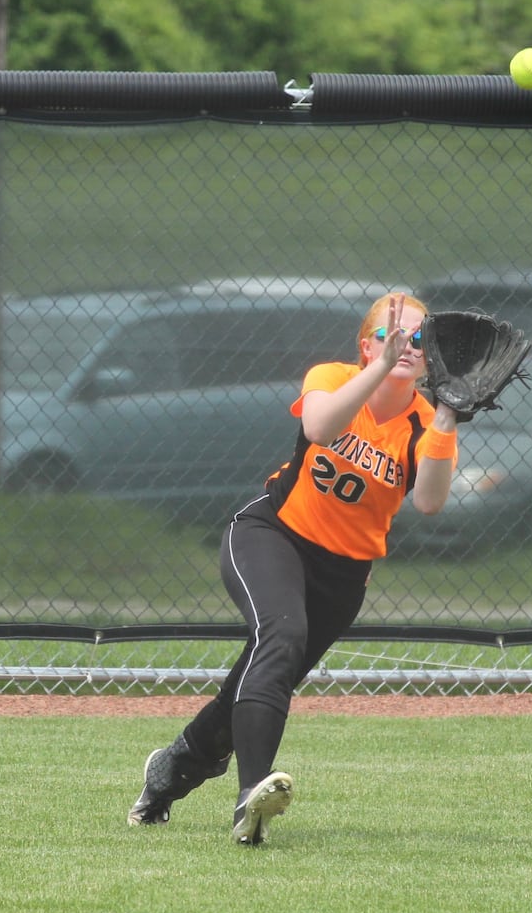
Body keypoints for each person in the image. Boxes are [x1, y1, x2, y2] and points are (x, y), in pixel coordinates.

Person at [127, 291, 458, 845]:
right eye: (390, 334)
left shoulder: (424, 423)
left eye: (419, 338)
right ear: (365, 345)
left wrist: (449, 415)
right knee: (281, 636)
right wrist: (378, 370)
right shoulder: (331, 376)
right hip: (272, 534)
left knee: (258, 680)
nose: (405, 344)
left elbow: (428, 501)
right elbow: (320, 429)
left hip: (342, 576)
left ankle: (170, 770)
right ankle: (251, 799)